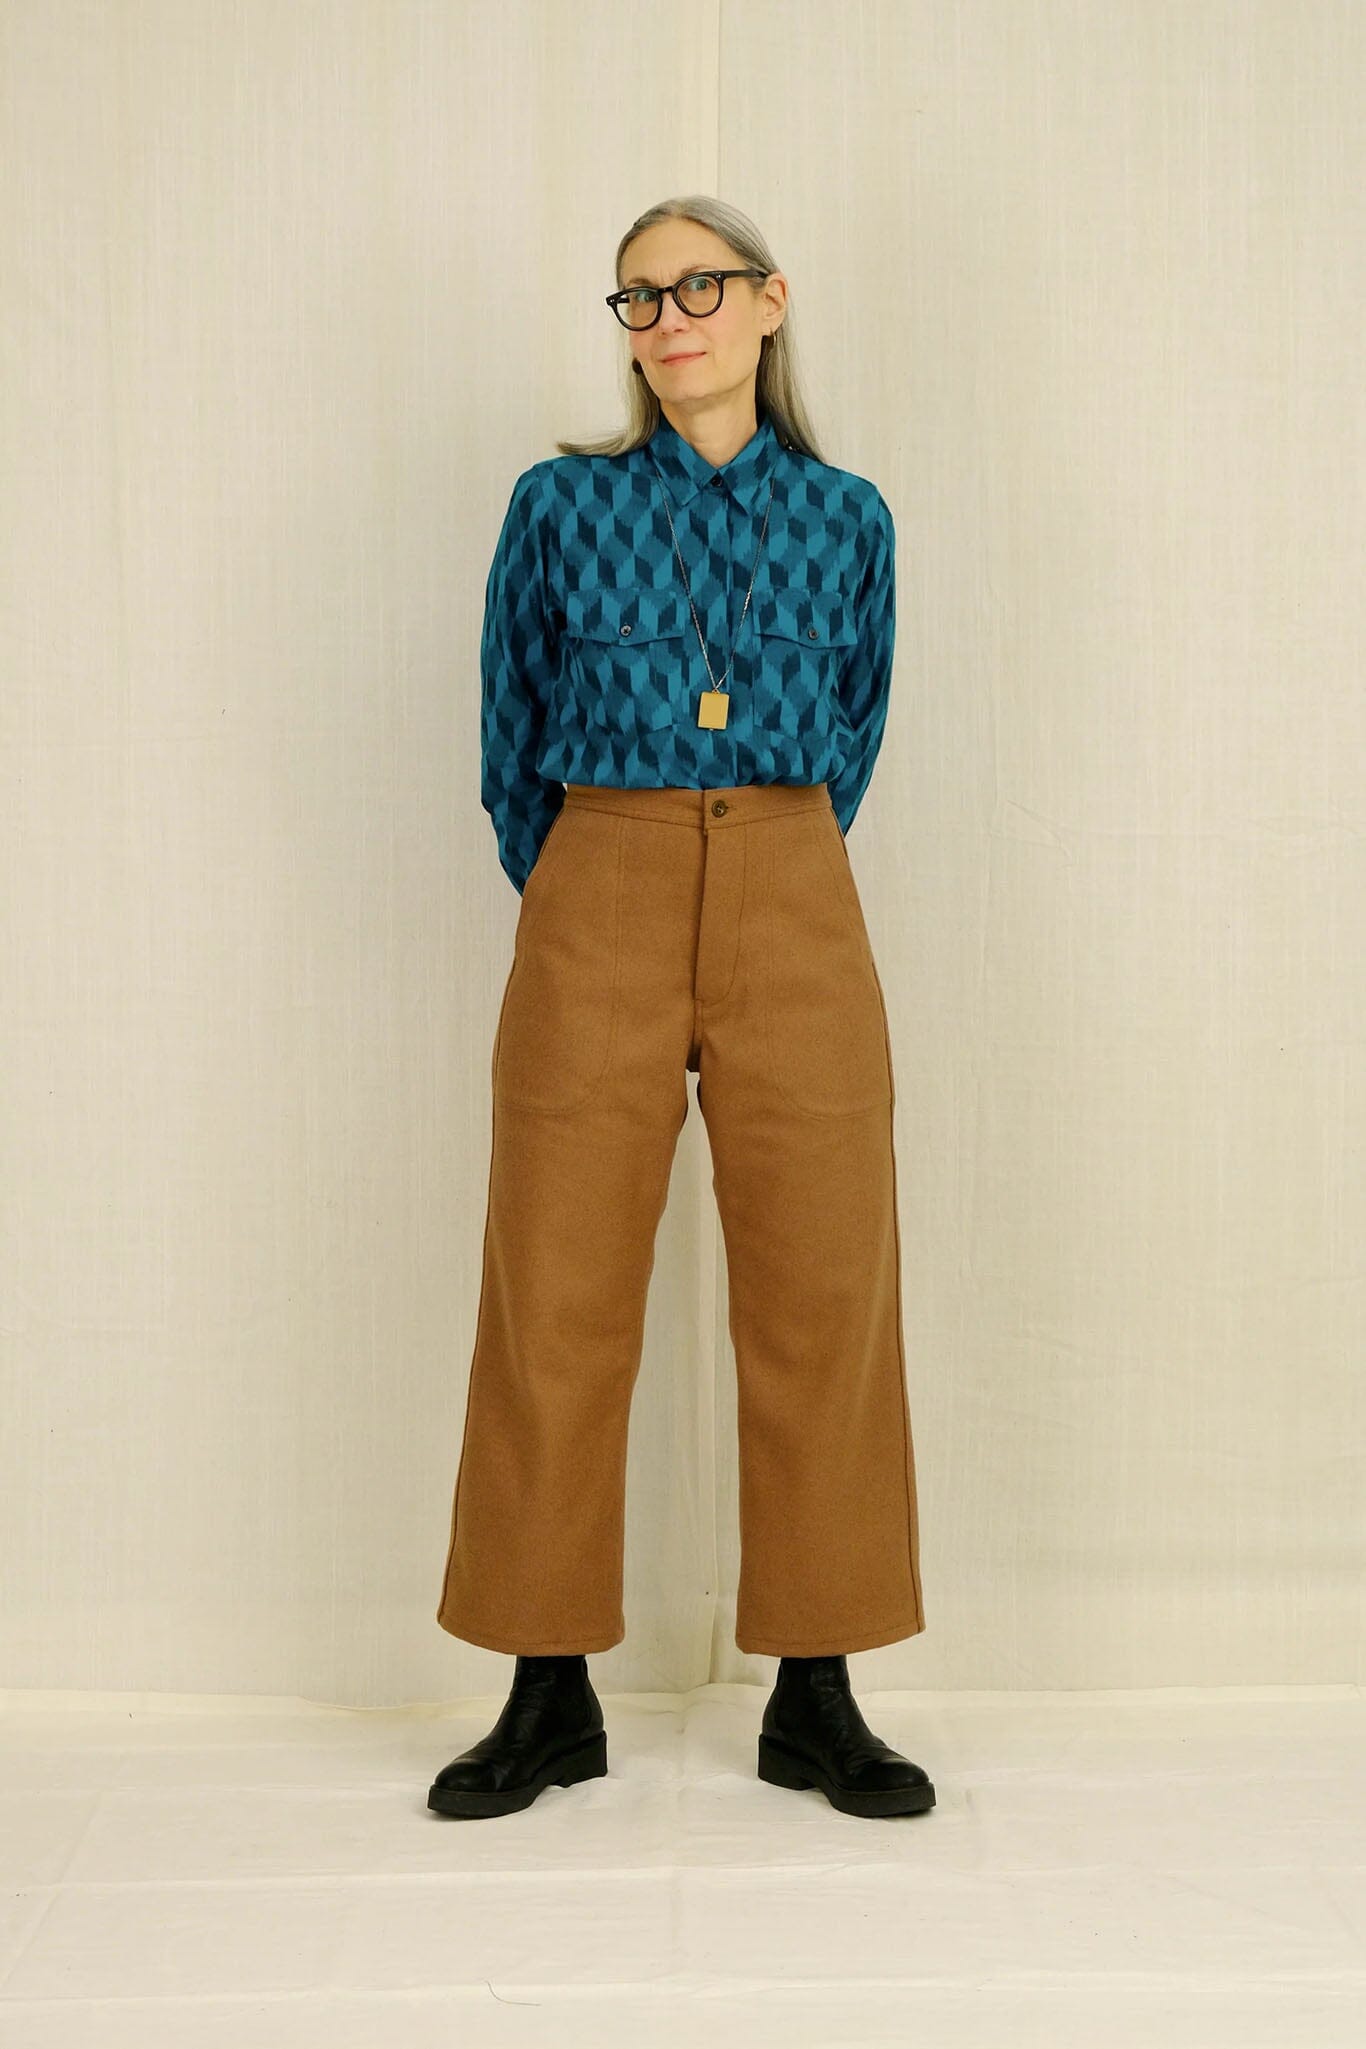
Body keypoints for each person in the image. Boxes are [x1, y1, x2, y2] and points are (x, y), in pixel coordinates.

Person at [428, 196, 934, 1822]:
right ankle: (543, 1687)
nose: (669, 318)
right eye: (638, 298)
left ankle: (819, 1688)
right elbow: (508, 732)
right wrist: (594, 880)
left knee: (824, 1286)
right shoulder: (559, 505)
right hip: (600, 883)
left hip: (793, 884)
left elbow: (847, 733)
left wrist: (757, 859)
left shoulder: (847, 516)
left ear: (771, 303)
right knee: (553, 1289)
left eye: (699, 286)